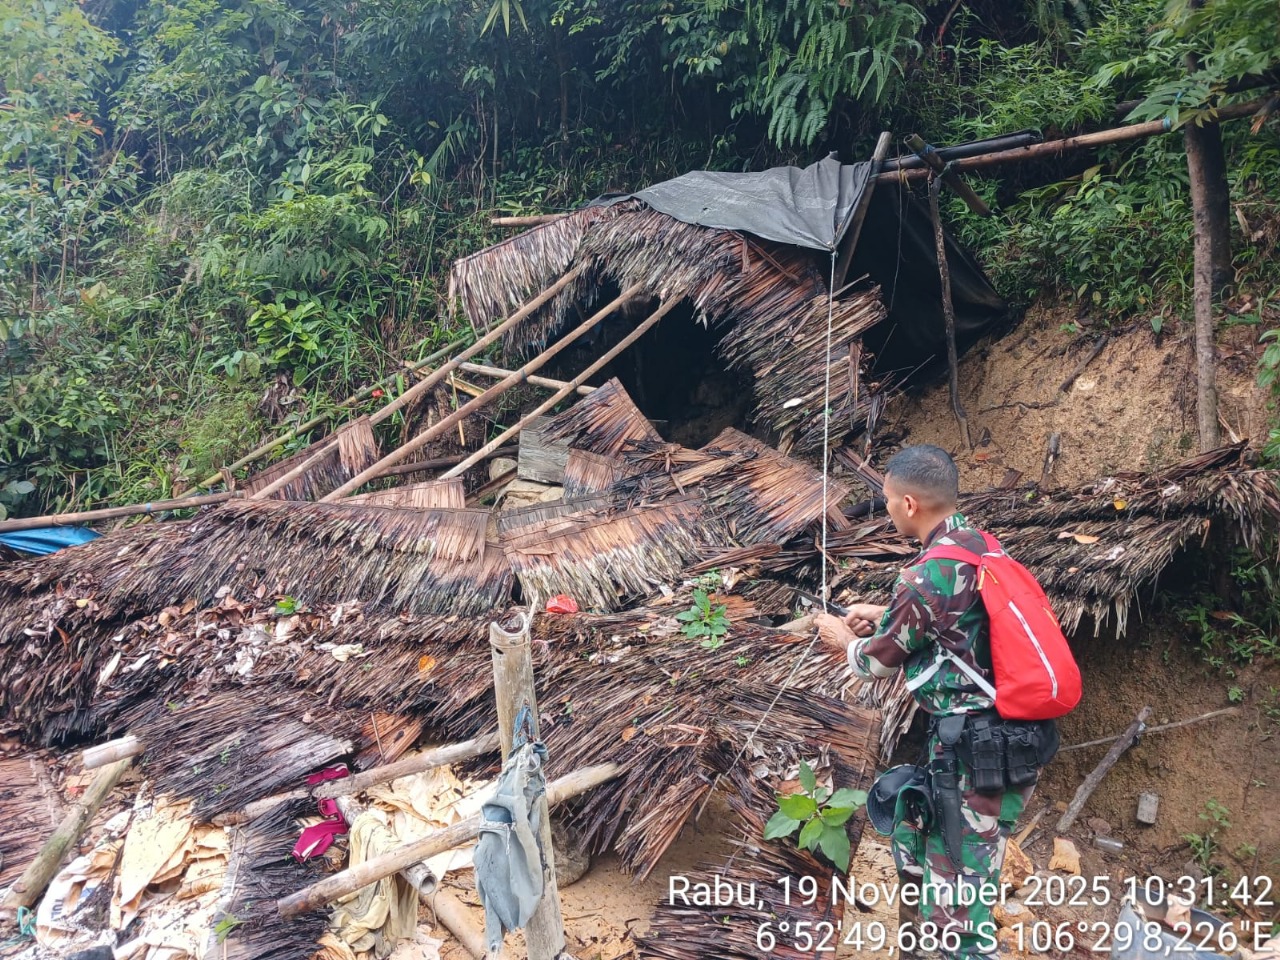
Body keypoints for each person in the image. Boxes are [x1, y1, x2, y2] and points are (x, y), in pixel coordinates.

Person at [814, 444, 1043, 960]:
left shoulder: (926, 575)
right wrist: (886, 610)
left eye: (888, 500)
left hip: (976, 758)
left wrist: (839, 638)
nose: (888, 508)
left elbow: (876, 662)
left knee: (960, 905)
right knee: (946, 870)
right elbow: (960, 625)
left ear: (911, 504)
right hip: (1003, 746)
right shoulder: (978, 546)